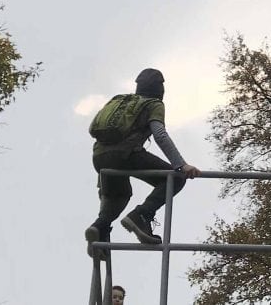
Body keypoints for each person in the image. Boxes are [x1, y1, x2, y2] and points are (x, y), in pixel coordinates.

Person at [84, 68, 201, 257]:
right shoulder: (153, 104)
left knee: (118, 195)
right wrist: (181, 165)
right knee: (176, 178)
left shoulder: (120, 99)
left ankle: (99, 230)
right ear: (160, 87)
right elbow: (160, 135)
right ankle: (141, 215)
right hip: (126, 154)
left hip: (99, 157)